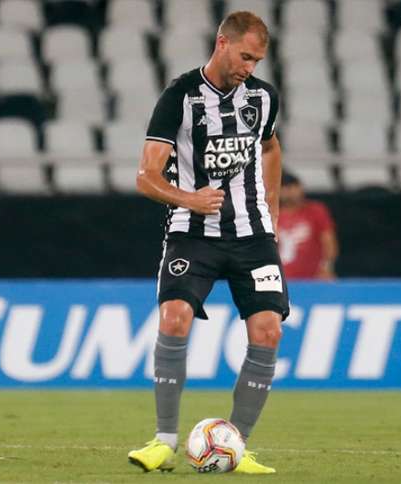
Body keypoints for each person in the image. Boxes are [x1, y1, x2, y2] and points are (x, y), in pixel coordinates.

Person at [127, 11, 286, 475]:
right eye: (244, 56)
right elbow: (145, 177)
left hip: (252, 234)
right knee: (174, 318)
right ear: (222, 43)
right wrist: (189, 199)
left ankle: (236, 445)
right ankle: (163, 441)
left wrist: (271, 210)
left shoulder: (262, 98)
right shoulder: (179, 97)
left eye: (256, 61)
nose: (249, 68)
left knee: (268, 331)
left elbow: (271, 147)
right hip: (192, 233)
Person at [278, 172, 339, 280]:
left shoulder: (315, 211)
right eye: (285, 188)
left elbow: (328, 242)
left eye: (294, 187)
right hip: (281, 279)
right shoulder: (270, 214)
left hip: (313, 278)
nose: (290, 192)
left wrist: (327, 267)